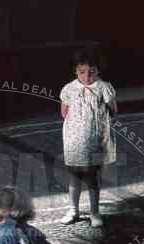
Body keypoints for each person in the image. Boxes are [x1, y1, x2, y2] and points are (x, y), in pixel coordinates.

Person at [59, 48, 118, 227]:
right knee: (74, 177)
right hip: (74, 141)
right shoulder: (69, 89)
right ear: (75, 71)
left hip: (95, 140)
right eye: (82, 71)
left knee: (92, 177)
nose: (87, 76)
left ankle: (94, 212)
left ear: (98, 71)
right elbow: (64, 112)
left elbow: (113, 109)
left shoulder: (104, 88)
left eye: (92, 71)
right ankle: (73, 210)